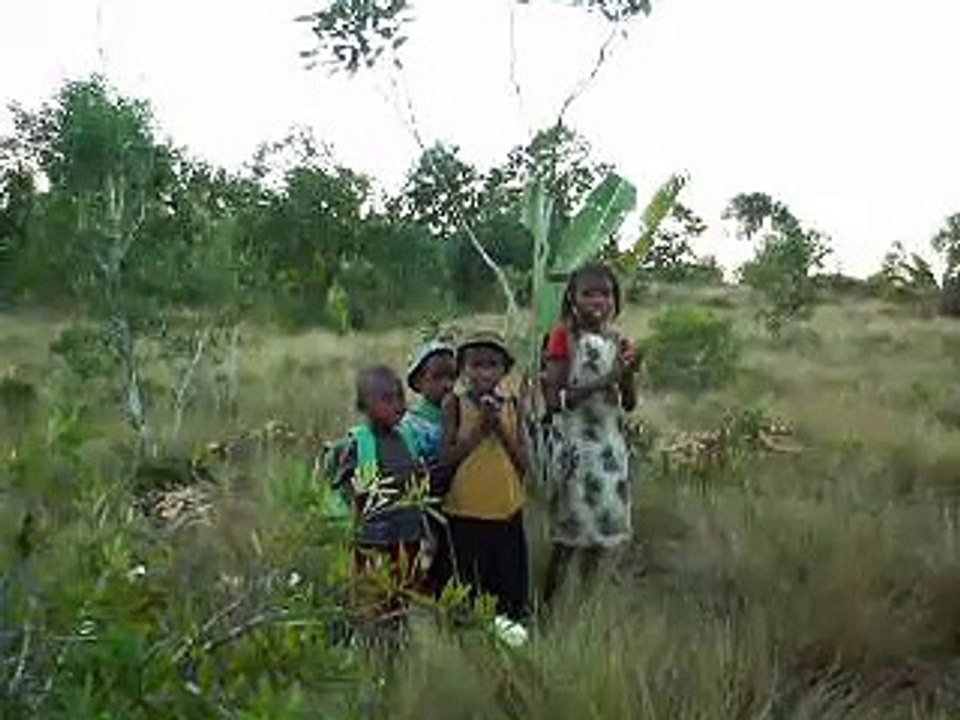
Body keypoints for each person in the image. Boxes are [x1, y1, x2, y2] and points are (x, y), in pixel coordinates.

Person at [541, 262, 640, 606]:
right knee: (567, 542)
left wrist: (627, 374)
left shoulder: (618, 340)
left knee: (599, 541)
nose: (597, 301)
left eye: (605, 293)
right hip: (575, 452)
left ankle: (583, 615)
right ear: (572, 298)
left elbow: (628, 404)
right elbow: (556, 401)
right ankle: (547, 610)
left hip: (610, 456)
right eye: (588, 293)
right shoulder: (561, 337)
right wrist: (610, 377)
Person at [439, 331, 529, 623]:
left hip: (506, 512)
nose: (484, 372)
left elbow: (524, 463)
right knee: (466, 591)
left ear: (504, 370)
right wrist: (479, 429)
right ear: (462, 370)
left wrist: (499, 427)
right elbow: (445, 459)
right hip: (465, 513)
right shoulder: (453, 404)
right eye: (475, 365)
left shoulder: (513, 406)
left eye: (492, 365)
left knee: (508, 595)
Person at [332, 365, 430, 618]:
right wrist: (396, 480)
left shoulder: (407, 436)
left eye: (400, 397)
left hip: (408, 535)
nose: (398, 405)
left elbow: (418, 485)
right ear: (364, 406)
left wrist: (420, 477)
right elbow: (350, 491)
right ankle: (374, 646)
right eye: (387, 399)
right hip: (374, 540)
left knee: (404, 596)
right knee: (373, 600)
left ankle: (398, 643)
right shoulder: (358, 443)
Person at [401, 339, 457, 596]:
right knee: (427, 562)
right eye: (437, 377)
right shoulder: (412, 424)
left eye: (451, 376)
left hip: (457, 502)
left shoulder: (460, 413)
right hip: (426, 505)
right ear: (419, 382)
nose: (446, 384)